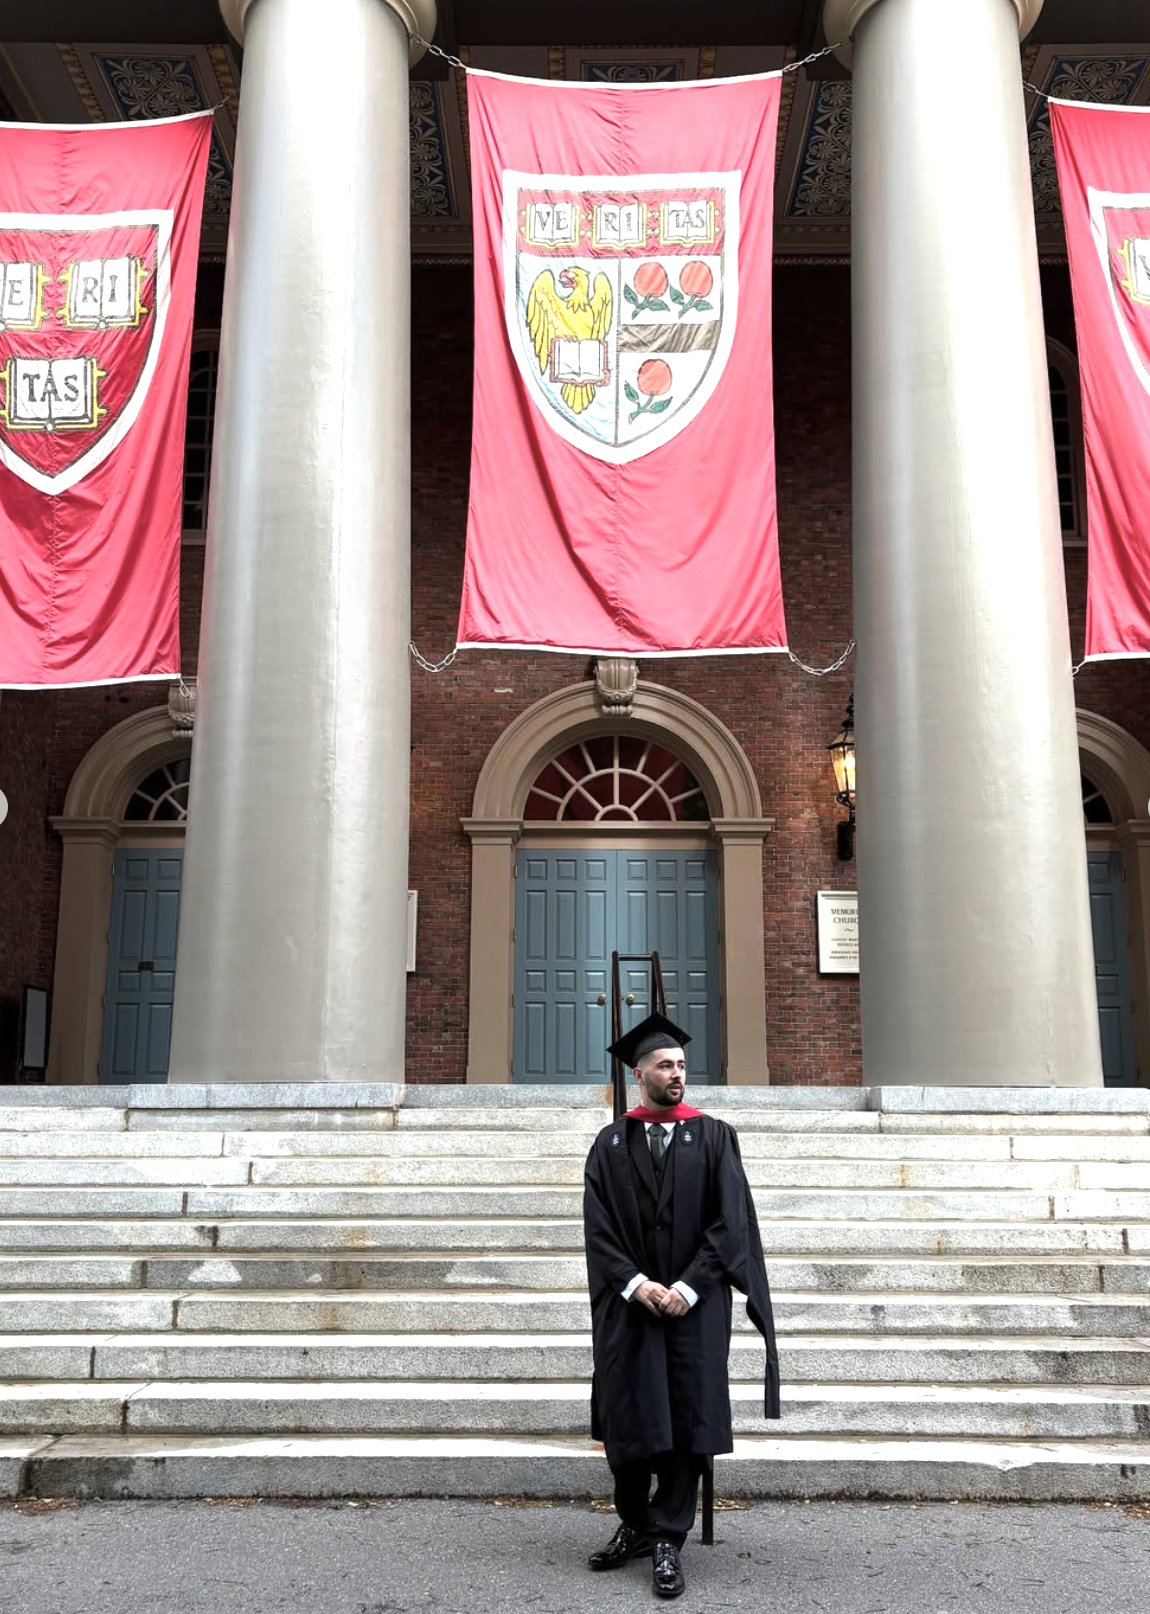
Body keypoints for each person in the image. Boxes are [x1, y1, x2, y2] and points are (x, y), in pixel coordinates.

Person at [582, 1011, 780, 1600]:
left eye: (682, 1066)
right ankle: (635, 1522)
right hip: (630, 1307)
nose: (677, 1075)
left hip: (696, 1307)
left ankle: (668, 1535)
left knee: (688, 1421)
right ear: (639, 1073)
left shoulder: (714, 1135)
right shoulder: (610, 1143)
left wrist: (690, 1285)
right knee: (627, 1421)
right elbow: (599, 1230)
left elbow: (730, 1222)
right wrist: (636, 1283)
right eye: (665, 1065)